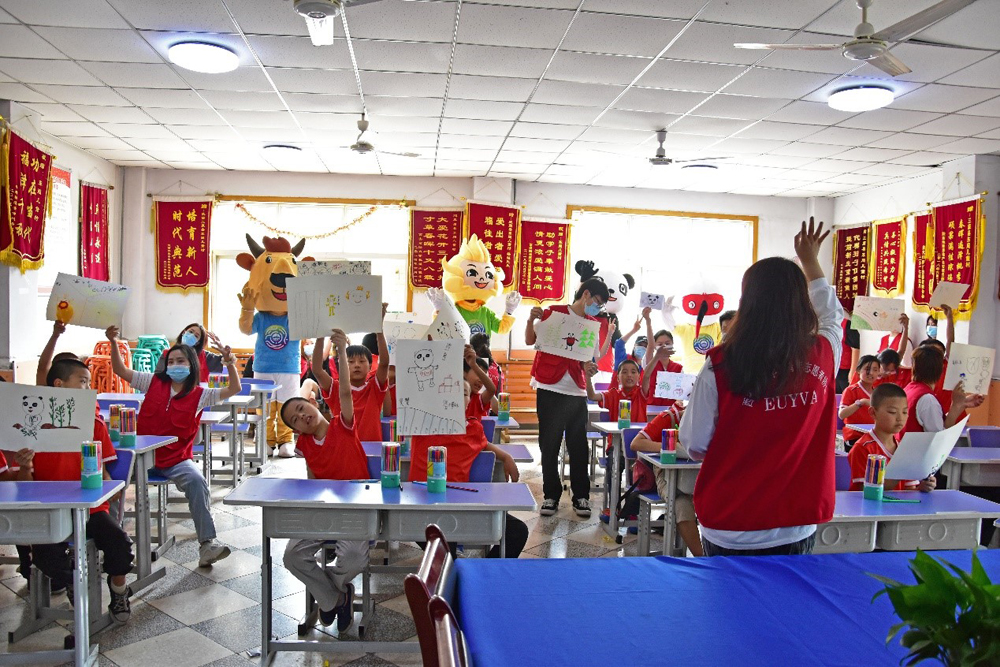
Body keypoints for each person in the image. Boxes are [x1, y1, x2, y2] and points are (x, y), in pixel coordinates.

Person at [681, 218, 842, 557]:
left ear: (747, 302)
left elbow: (694, 443)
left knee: (725, 594)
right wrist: (810, 261)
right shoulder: (824, 354)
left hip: (730, 518)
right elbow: (831, 315)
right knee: (785, 595)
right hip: (795, 520)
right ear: (802, 302)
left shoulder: (721, 362)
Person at [106, 326, 239, 567]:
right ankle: (113, 543)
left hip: (176, 460)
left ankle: (207, 544)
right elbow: (120, 370)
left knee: (197, 481)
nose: (175, 365)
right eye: (171, 361)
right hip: (142, 457)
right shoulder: (152, 381)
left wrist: (229, 362)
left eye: (181, 361)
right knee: (113, 482)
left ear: (191, 365)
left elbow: (234, 389)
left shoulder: (200, 394)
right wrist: (114, 342)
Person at [27, 358, 136, 621]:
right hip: (49, 508)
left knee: (120, 544)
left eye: (89, 383)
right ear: (59, 384)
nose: (89, 388)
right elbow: (23, 478)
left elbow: (105, 471)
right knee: (46, 555)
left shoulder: (93, 423)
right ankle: (72, 585)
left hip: (89, 509)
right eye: (83, 382)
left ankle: (119, 590)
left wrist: (109, 489)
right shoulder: (33, 427)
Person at [280, 329, 370, 631]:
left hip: (357, 505)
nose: (302, 416)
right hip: (323, 508)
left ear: (314, 403)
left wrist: (340, 350)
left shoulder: (343, 424)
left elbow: (343, 392)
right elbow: (312, 479)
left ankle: (329, 595)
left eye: (301, 408)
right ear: (296, 430)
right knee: (292, 556)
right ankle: (336, 598)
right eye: (295, 419)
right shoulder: (304, 445)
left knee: (354, 557)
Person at [409, 380, 528, 558]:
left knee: (518, 531)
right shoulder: (422, 424)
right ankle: (453, 568)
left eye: (464, 393)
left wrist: (506, 457)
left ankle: (481, 571)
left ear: (469, 401)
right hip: (421, 507)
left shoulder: (473, 428)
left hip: (458, 506)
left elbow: (484, 444)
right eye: (450, 391)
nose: (457, 397)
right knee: (446, 555)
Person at [526, 277, 610, 517]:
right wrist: (531, 320)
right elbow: (530, 340)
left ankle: (581, 496)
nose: (597, 308)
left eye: (601, 306)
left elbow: (588, 358)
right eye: (597, 302)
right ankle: (551, 495)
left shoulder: (592, 325)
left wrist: (589, 368)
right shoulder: (554, 313)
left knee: (578, 445)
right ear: (586, 294)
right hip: (549, 385)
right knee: (549, 444)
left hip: (576, 390)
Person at [628, 405, 703, 557]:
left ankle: (718, 552)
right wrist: (670, 445)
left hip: (697, 476)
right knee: (681, 504)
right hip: (666, 477)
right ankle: (702, 557)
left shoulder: (711, 422)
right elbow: (635, 444)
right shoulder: (668, 418)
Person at [311, 305, 390, 443]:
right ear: (342, 364)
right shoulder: (335, 388)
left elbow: (384, 363)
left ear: (370, 366)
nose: (357, 365)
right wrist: (320, 336)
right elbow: (317, 370)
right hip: (344, 448)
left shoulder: (374, 387)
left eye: (362, 361)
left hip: (373, 448)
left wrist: (379, 329)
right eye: (351, 362)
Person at [849, 383, 936, 493]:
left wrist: (922, 487)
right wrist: (900, 471)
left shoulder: (903, 448)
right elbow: (866, 490)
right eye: (892, 412)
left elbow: (909, 490)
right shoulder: (862, 448)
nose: (900, 418)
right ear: (873, 413)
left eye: (905, 412)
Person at [902, 345, 983, 435]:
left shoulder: (909, 390)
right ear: (940, 370)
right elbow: (940, 437)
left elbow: (937, 423)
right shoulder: (927, 399)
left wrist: (961, 404)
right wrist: (956, 405)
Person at [839, 355, 880, 448]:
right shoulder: (850, 390)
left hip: (873, 436)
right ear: (858, 370)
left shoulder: (878, 392)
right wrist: (860, 403)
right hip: (855, 437)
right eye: (867, 369)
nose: (871, 373)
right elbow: (842, 414)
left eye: (875, 370)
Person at [644, 329, 682, 407]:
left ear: (672, 344)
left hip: (671, 409)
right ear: (655, 346)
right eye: (660, 344)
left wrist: (679, 401)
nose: (664, 346)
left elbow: (681, 392)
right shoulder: (650, 364)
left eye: (667, 343)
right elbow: (650, 346)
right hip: (651, 408)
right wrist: (648, 323)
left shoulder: (679, 368)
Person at [465, 345, 496, 421]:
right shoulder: (453, 397)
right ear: (464, 373)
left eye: (482, 375)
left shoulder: (478, 399)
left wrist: (473, 365)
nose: (481, 380)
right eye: (477, 373)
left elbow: (491, 390)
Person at [836, 316, 860, 393]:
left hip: (845, 370)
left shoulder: (847, 324)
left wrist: (852, 372)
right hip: (833, 368)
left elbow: (855, 348)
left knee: (847, 394)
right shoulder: (824, 323)